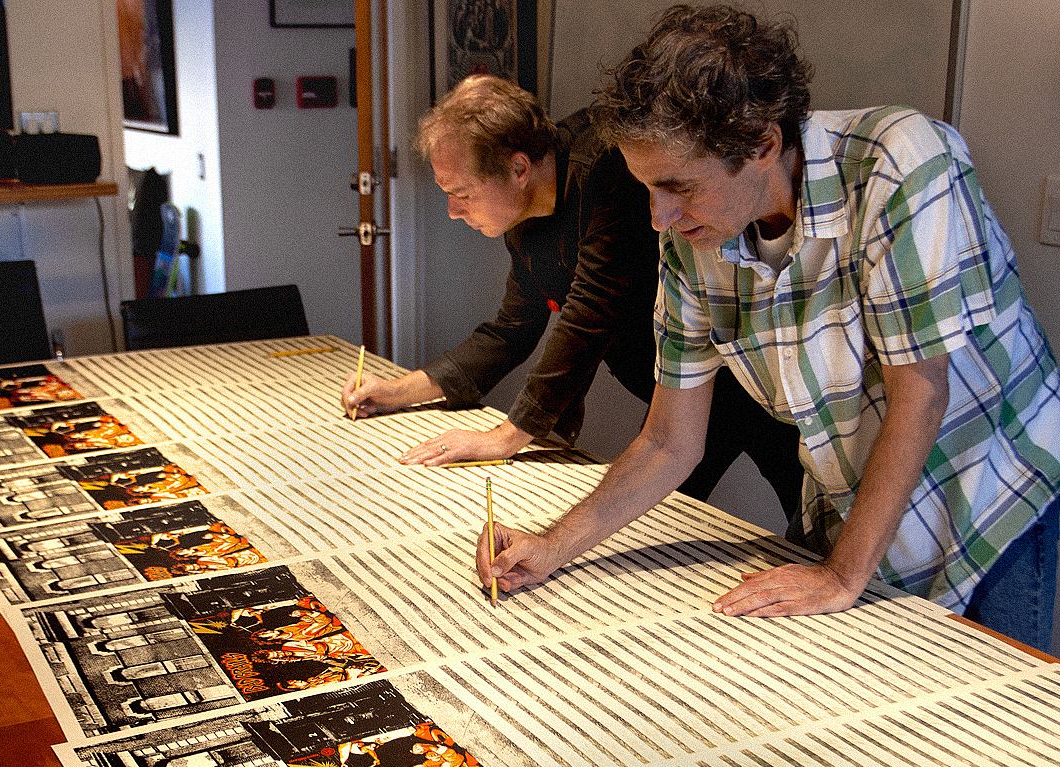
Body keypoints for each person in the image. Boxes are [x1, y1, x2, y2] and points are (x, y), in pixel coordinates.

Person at [476, 4, 1060, 651]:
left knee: (981, 720)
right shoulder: (690, 243)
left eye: (679, 187)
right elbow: (670, 440)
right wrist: (555, 543)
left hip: (990, 498)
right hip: (856, 502)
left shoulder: (899, 163)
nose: (659, 217)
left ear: (763, 145)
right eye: (648, 189)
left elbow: (921, 395)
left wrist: (841, 576)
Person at [341, 74, 802, 518]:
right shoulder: (524, 221)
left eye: (461, 193)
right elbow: (511, 330)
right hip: (685, 392)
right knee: (646, 524)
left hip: (756, 380)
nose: (453, 211)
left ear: (519, 168)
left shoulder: (603, 168)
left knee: (822, 528)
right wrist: (398, 392)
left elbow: (591, 309)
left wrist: (508, 434)